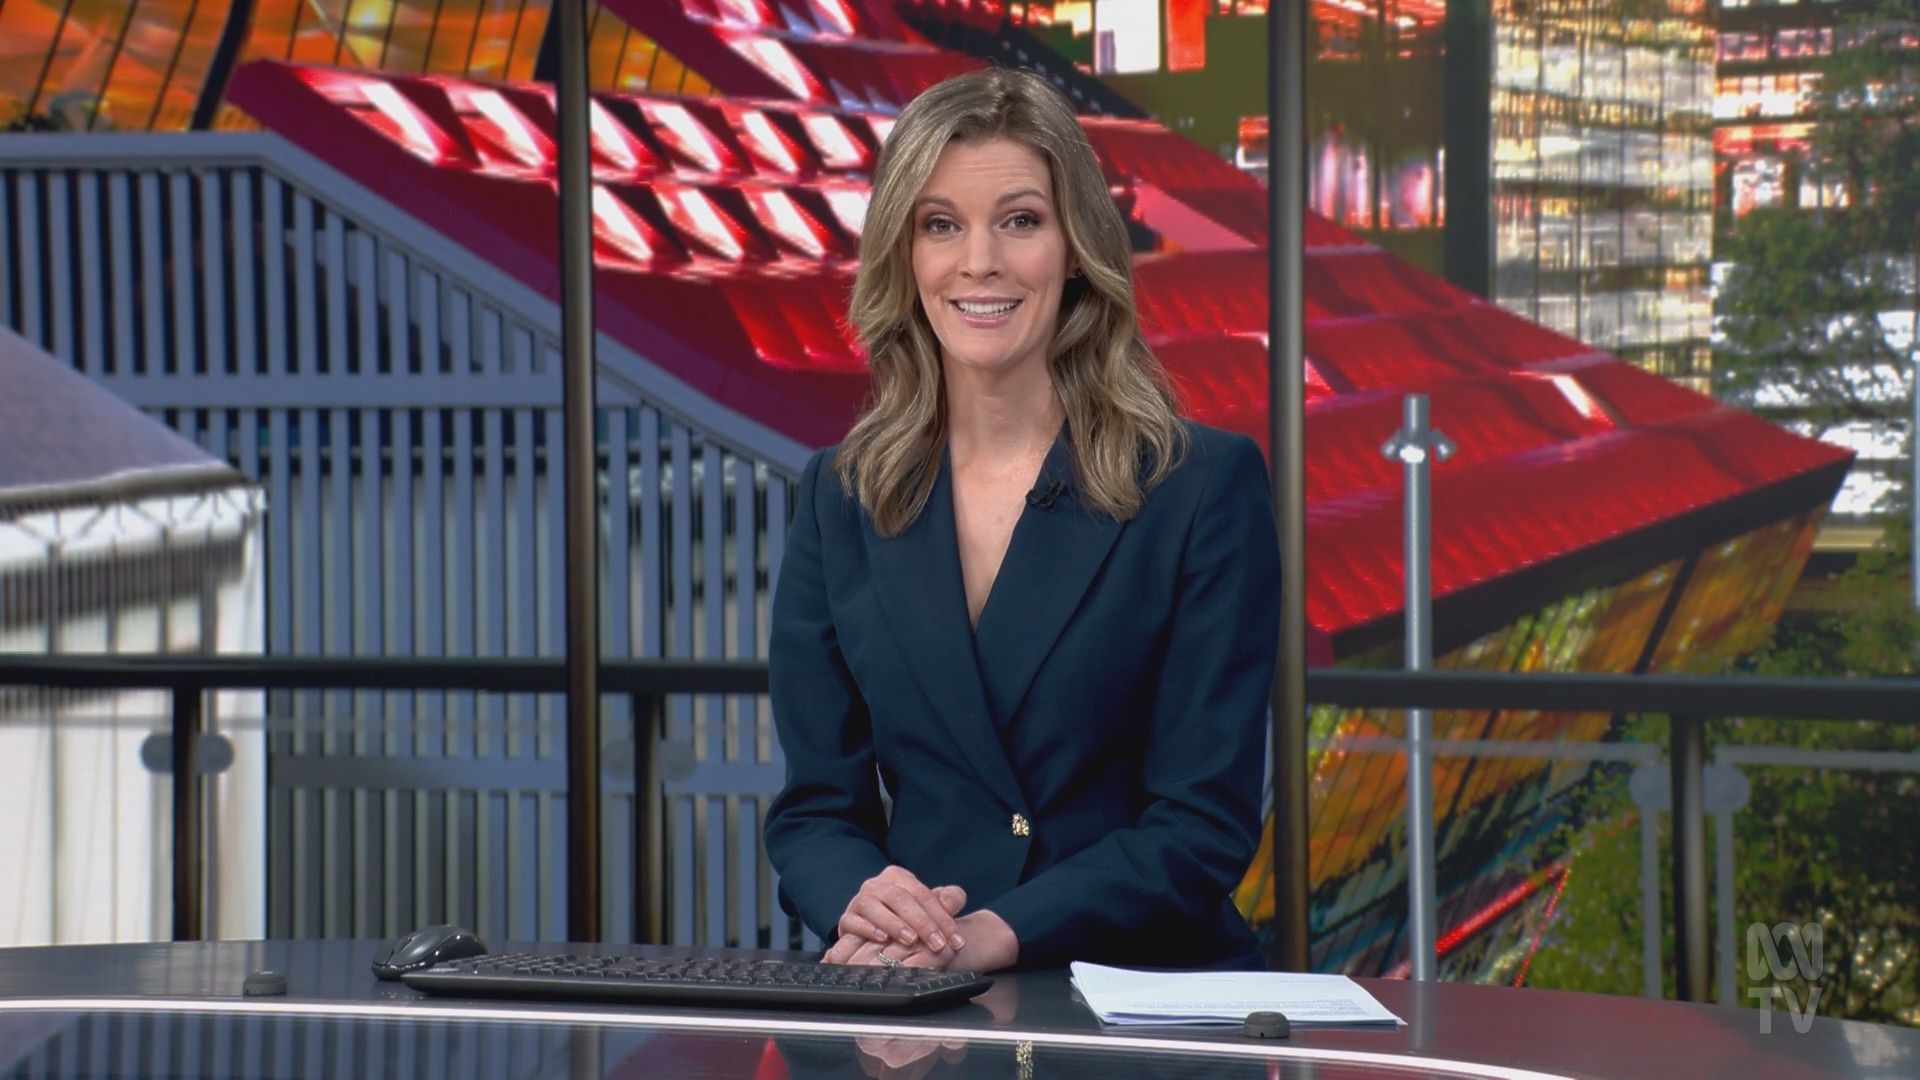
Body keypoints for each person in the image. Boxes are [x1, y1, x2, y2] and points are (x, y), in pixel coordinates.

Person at [764, 67, 1281, 974]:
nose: (979, 262)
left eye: (1020, 220)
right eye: (940, 225)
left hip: (1130, 995)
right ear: (903, 255)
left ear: (1076, 247)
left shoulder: (1199, 487)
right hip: (915, 988)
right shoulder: (840, 496)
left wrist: (995, 933)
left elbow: (1202, 822)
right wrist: (863, 896)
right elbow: (816, 813)